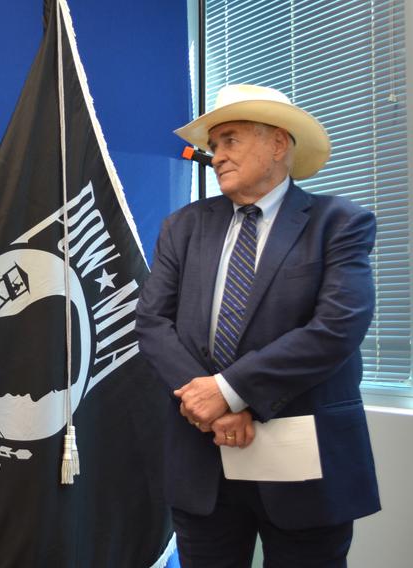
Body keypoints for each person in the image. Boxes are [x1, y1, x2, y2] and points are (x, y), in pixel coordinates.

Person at [135, 84, 380, 567]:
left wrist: (229, 391)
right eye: (213, 145)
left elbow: (336, 328)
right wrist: (212, 405)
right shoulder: (181, 227)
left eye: (229, 140)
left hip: (304, 465)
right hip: (202, 460)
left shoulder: (339, 224)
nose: (217, 156)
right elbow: (152, 322)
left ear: (277, 144)